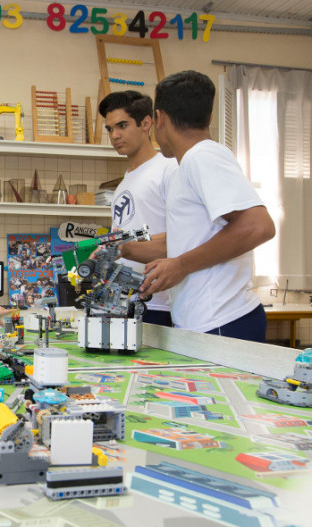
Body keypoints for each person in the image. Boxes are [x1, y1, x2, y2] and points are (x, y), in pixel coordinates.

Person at [120, 70, 275, 341]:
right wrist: (124, 248)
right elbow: (192, 239)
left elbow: (258, 226)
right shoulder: (191, 163)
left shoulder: (202, 156)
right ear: (210, 117)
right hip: (210, 322)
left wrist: (180, 264)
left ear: (160, 119)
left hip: (222, 321)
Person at [98, 90, 177, 327]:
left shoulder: (169, 170)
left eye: (122, 125)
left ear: (146, 123)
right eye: (110, 129)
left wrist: (126, 248)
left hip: (157, 303)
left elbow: (183, 239)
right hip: (122, 301)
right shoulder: (125, 182)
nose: (115, 135)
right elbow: (121, 239)